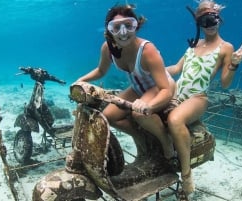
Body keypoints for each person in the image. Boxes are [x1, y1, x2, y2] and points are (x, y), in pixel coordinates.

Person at [165, 0, 242, 197]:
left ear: (219, 19)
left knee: (174, 119)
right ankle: (159, 161)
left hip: (198, 97)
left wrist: (234, 64)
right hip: (176, 93)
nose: (210, 23)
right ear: (199, 23)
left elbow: (225, 83)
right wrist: (157, 69)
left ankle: (186, 175)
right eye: (205, 20)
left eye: (213, 18)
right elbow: (177, 69)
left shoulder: (226, 47)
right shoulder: (194, 44)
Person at [75, 4, 175, 159]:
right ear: (109, 30)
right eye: (116, 27)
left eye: (128, 26)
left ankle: (165, 142)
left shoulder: (147, 50)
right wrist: (81, 80)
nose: (123, 32)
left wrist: (149, 106)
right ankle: (141, 138)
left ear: (136, 26)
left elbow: (166, 89)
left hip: (160, 86)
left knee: (139, 114)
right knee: (108, 116)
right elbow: (101, 71)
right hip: (137, 88)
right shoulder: (108, 48)